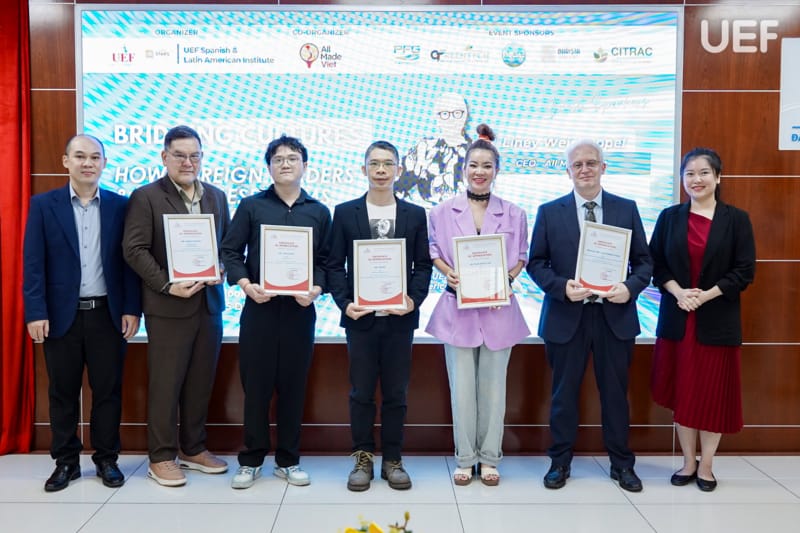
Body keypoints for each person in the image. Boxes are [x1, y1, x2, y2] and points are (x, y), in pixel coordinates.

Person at [527, 139, 652, 492]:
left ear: (603, 168)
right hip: (566, 316)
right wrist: (561, 287)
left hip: (615, 316)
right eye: (577, 164)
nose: (585, 169)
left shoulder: (626, 209)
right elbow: (536, 263)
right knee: (563, 395)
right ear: (568, 171)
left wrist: (629, 287)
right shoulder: (549, 211)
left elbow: (644, 262)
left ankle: (622, 465)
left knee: (615, 395)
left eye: (591, 163)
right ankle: (559, 463)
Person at [23, 134, 141, 492]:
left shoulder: (120, 206)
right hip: (61, 316)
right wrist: (35, 312)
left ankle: (106, 459)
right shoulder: (44, 205)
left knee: (108, 391)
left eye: (94, 157)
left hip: (107, 314)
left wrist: (132, 308)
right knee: (62, 392)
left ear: (104, 163)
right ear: (66, 161)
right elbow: (33, 263)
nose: (87, 163)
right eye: (79, 156)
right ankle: (66, 462)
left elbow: (129, 262)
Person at [220, 135, 331, 489]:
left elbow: (327, 262)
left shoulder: (319, 211)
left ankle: (288, 460)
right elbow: (230, 251)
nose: (285, 164)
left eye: (292, 158)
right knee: (256, 387)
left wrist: (316, 289)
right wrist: (245, 284)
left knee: (293, 388)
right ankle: (251, 460)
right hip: (260, 309)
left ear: (305, 166)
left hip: (300, 311)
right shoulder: (252, 206)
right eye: (278, 159)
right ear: (268, 167)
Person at [122, 125, 230, 487]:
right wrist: (168, 284)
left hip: (209, 305)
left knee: (200, 382)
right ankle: (161, 456)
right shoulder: (147, 196)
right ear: (164, 157)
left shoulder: (216, 196)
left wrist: (221, 268)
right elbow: (134, 249)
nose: (188, 162)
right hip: (168, 306)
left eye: (194, 155)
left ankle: (193, 448)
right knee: (166, 384)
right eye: (180, 155)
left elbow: (226, 246)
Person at [426, 124, 530, 487]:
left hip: (499, 310)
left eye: (487, 166)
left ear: (496, 171)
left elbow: (521, 257)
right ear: (464, 168)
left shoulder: (515, 214)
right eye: (473, 165)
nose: (479, 171)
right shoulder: (440, 212)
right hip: (458, 310)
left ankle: (489, 458)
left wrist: (508, 278)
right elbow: (434, 252)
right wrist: (449, 273)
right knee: (462, 391)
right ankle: (465, 457)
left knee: (494, 390)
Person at [327, 140, 432, 491]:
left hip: (399, 319)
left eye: (388, 164)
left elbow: (422, 265)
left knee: (396, 393)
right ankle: (362, 458)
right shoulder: (345, 212)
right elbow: (334, 264)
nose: (382, 170)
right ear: (364, 170)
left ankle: (393, 459)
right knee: (360, 392)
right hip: (360, 319)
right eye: (375, 164)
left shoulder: (415, 214)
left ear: (399, 170)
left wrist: (413, 301)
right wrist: (345, 303)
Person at [649, 148, 755, 492]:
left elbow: (744, 271)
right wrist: (679, 292)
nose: (696, 179)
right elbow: (655, 264)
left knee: (712, 395)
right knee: (685, 392)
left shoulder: (736, 219)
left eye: (704, 172)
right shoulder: (669, 217)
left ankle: (707, 465)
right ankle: (688, 461)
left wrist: (704, 295)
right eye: (690, 173)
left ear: (718, 177)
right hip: (678, 319)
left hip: (716, 320)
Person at [393, 92, 471, 205]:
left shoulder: (477, 152)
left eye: (457, 113)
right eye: (445, 114)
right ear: (437, 118)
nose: (451, 119)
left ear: (465, 115)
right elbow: (400, 187)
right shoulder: (423, 148)